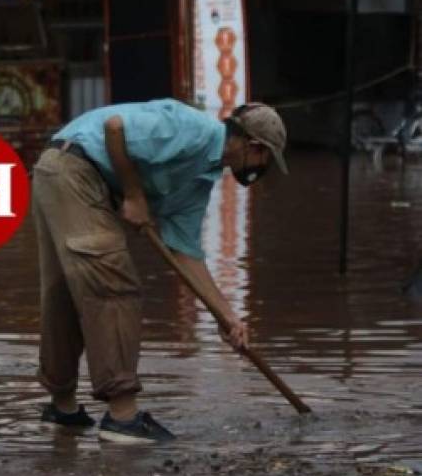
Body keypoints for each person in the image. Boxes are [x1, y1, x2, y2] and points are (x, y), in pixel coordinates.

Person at [33, 99, 287, 444]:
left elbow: (185, 255)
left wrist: (227, 318)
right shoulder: (192, 129)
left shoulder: (198, 183)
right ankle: (123, 416)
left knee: (66, 291)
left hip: (59, 171)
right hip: (73, 166)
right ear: (254, 146)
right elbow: (115, 129)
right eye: (266, 159)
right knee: (113, 284)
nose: (262, 168)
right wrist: (135, 194)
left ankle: (61, 411)